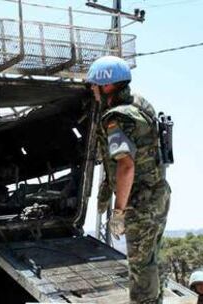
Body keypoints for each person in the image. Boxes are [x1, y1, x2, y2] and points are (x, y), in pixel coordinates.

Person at [87, 56, 171, 304]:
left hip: (140, 203)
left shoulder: (116, 118)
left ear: (107, 85)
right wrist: (105, 193)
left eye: (94, 85)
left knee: (139, 267)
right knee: (150, 260)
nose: (92, 90)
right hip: (158, 195)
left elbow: (125, 165)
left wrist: (119, 211)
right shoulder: (140, 104)